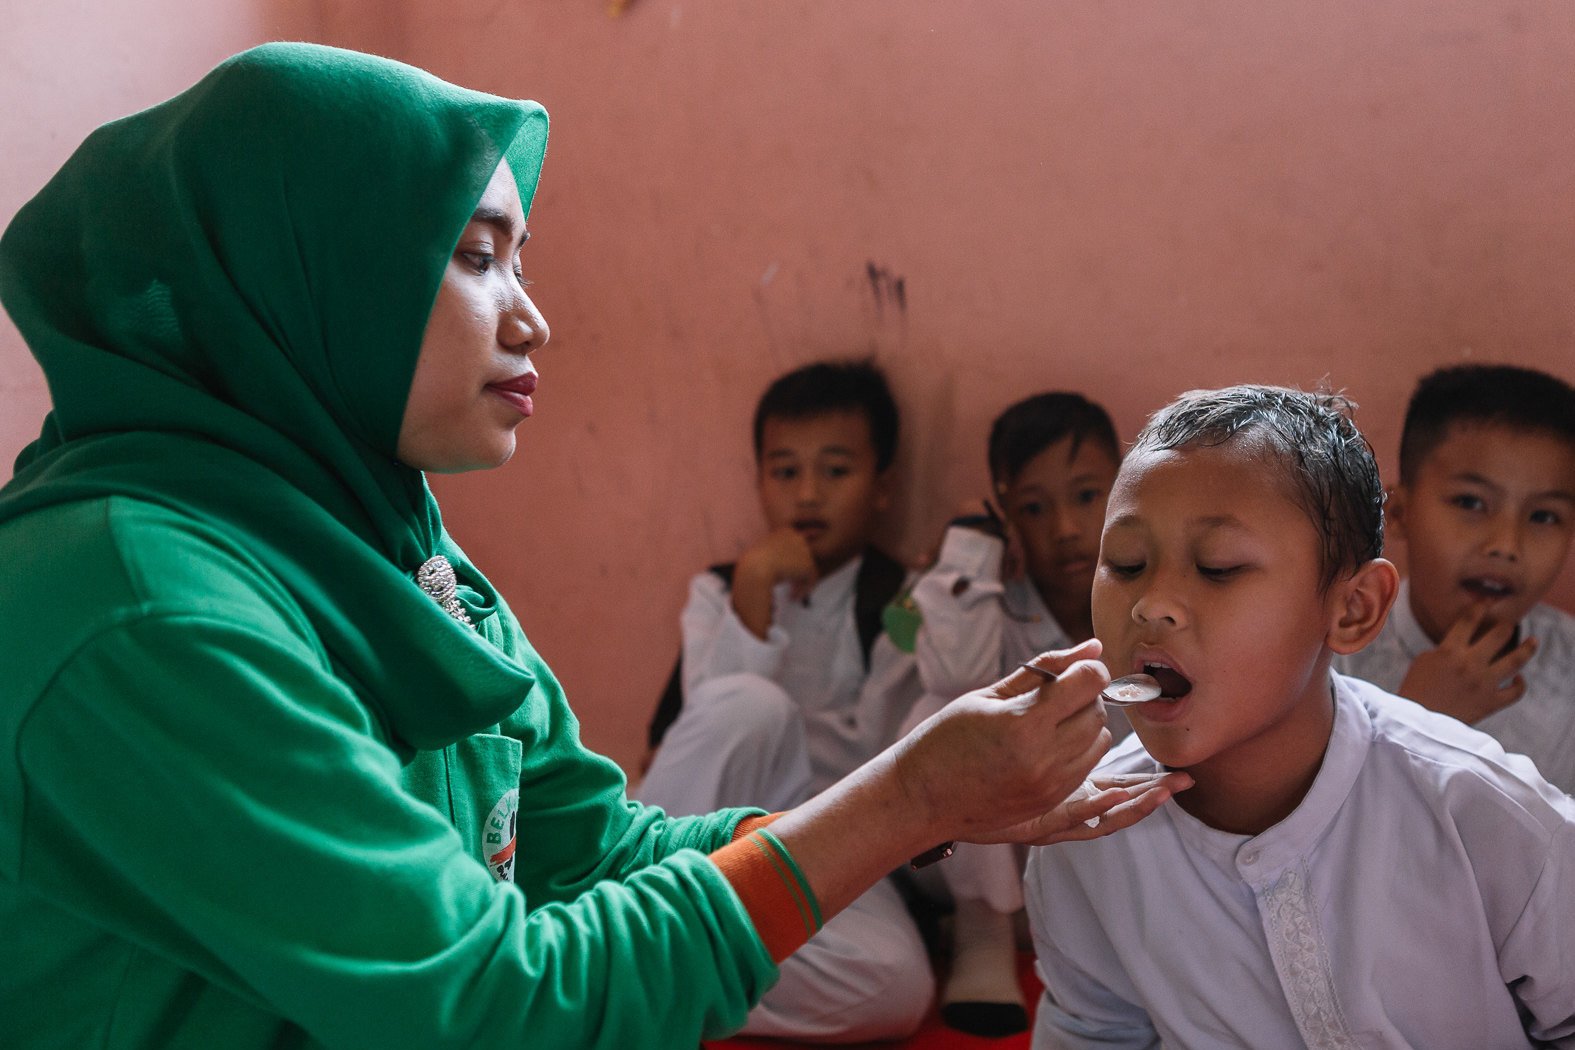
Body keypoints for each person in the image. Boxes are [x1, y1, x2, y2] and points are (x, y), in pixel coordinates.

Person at [0, 43, 1188, 1050]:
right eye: (477, 256)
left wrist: (932, 804)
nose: (533, 318)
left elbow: (592, 853)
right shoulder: (145, 610)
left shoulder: (390, 554)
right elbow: (491, 1006)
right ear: (308, 270)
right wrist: (907, 798)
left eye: (519, 259)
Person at [1023, 385, 1575, 1049]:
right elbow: (1092, 1034)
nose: (1150, 605)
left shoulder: (1486, 815)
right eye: (1126, 564)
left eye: (1217, 568)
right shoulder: (1088, 838)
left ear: (1352, 609)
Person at [638, 358, 937, 1040]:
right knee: (750, 704)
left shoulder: (901, 601)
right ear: (759, 482)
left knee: (895, 983)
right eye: (785, 471)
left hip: (832, 842)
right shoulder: (718, 591)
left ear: (882, 487)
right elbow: (704, 731)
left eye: (835, 471)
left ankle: (653, 970)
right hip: (700, 834)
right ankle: (646, 924)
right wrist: (753, 592)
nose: (807, 494)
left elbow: (890, 761)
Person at [900, 391, 1126, 1036]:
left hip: (1114, 850)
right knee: (941, 711)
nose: (1064, 528)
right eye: (1033, 508)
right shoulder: (991, 604)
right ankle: (984, 930)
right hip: (980, 853)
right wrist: (973, 553)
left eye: (1087, 496)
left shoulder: (1156, 598)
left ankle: (1033, 919)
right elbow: (952, 678)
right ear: (1006, 517)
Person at [1335, 364, 1575, 794]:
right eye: (1470, 502)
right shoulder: (1331, 659)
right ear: (1398, 514)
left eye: (1543, 516)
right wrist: (1417, 720)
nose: (1506, 545)